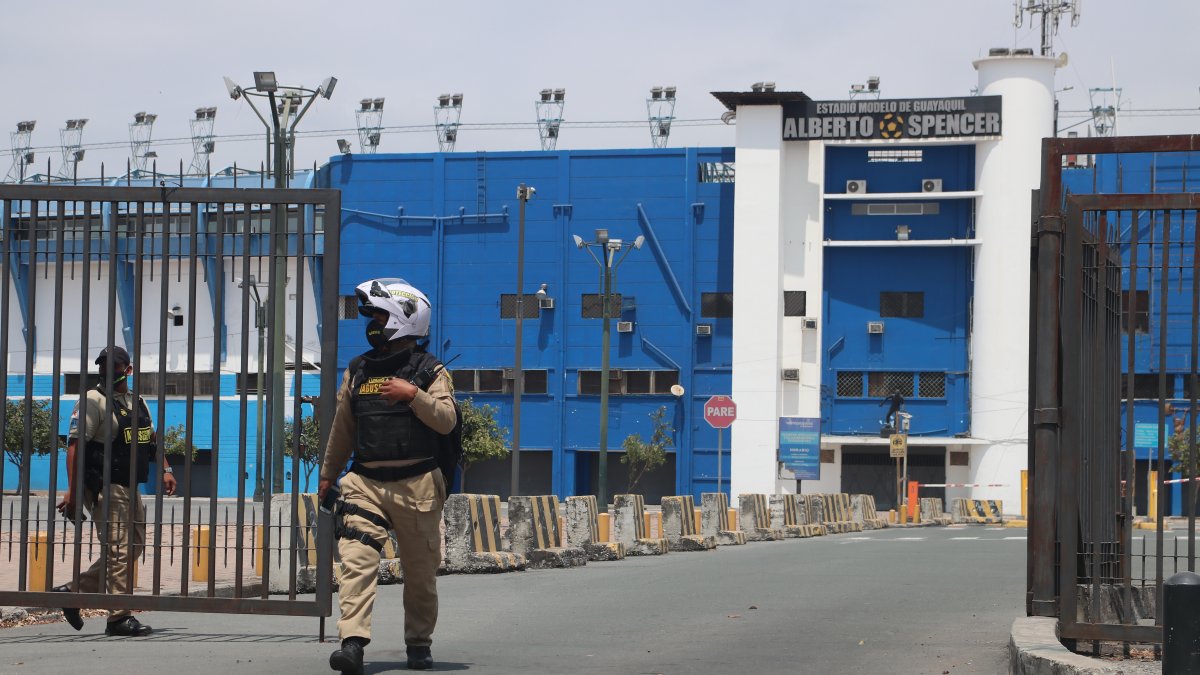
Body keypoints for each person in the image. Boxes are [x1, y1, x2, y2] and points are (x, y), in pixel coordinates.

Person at [320, 278, 457, 674]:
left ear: (404, 318)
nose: (373, 323)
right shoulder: (359, 369)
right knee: (356, 560)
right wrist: (329, 474)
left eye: (379, 315)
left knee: (420, 575)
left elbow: (447, 421)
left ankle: (418, 643)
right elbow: (342, 427)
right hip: (365, 485)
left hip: (418, 486)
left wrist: (413, 395)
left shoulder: (430, 371)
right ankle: (352, 643)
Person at [53, 345, 177, 636]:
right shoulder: (92, 401)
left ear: (128, 370)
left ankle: (72, 593)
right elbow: (74, 447)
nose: (109, 371)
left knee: (132, 547)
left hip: (130, 485)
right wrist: (71, 491)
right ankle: (118, 617)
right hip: (104, 486)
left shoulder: (138, 402)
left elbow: (151, 440)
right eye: (103, 366)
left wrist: (166, 469)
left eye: (115, 365)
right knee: (119, 550)